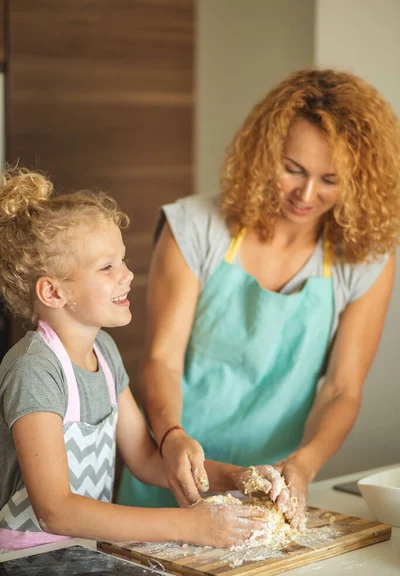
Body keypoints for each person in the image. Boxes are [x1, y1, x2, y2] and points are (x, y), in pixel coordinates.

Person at [118, 68, 400, 525]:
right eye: (293, 170)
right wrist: (170, 436)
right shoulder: (195, 226)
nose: (306, 194)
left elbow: (341, 389)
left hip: (272, 495)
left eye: (329, 179)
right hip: (171, 477)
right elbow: (161, 360)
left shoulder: (365, 260)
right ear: (264, 152)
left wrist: (304, 464)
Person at [0, 168, 270, 551]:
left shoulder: (105, 353)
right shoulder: (34, 369)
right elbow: (55, 509)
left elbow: (145, 458)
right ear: (53, 292)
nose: (127, 275)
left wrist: (239, 477)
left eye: (123, 261)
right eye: (107, 267)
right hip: (23, 564)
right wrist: (189, 525)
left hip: (80, 552)